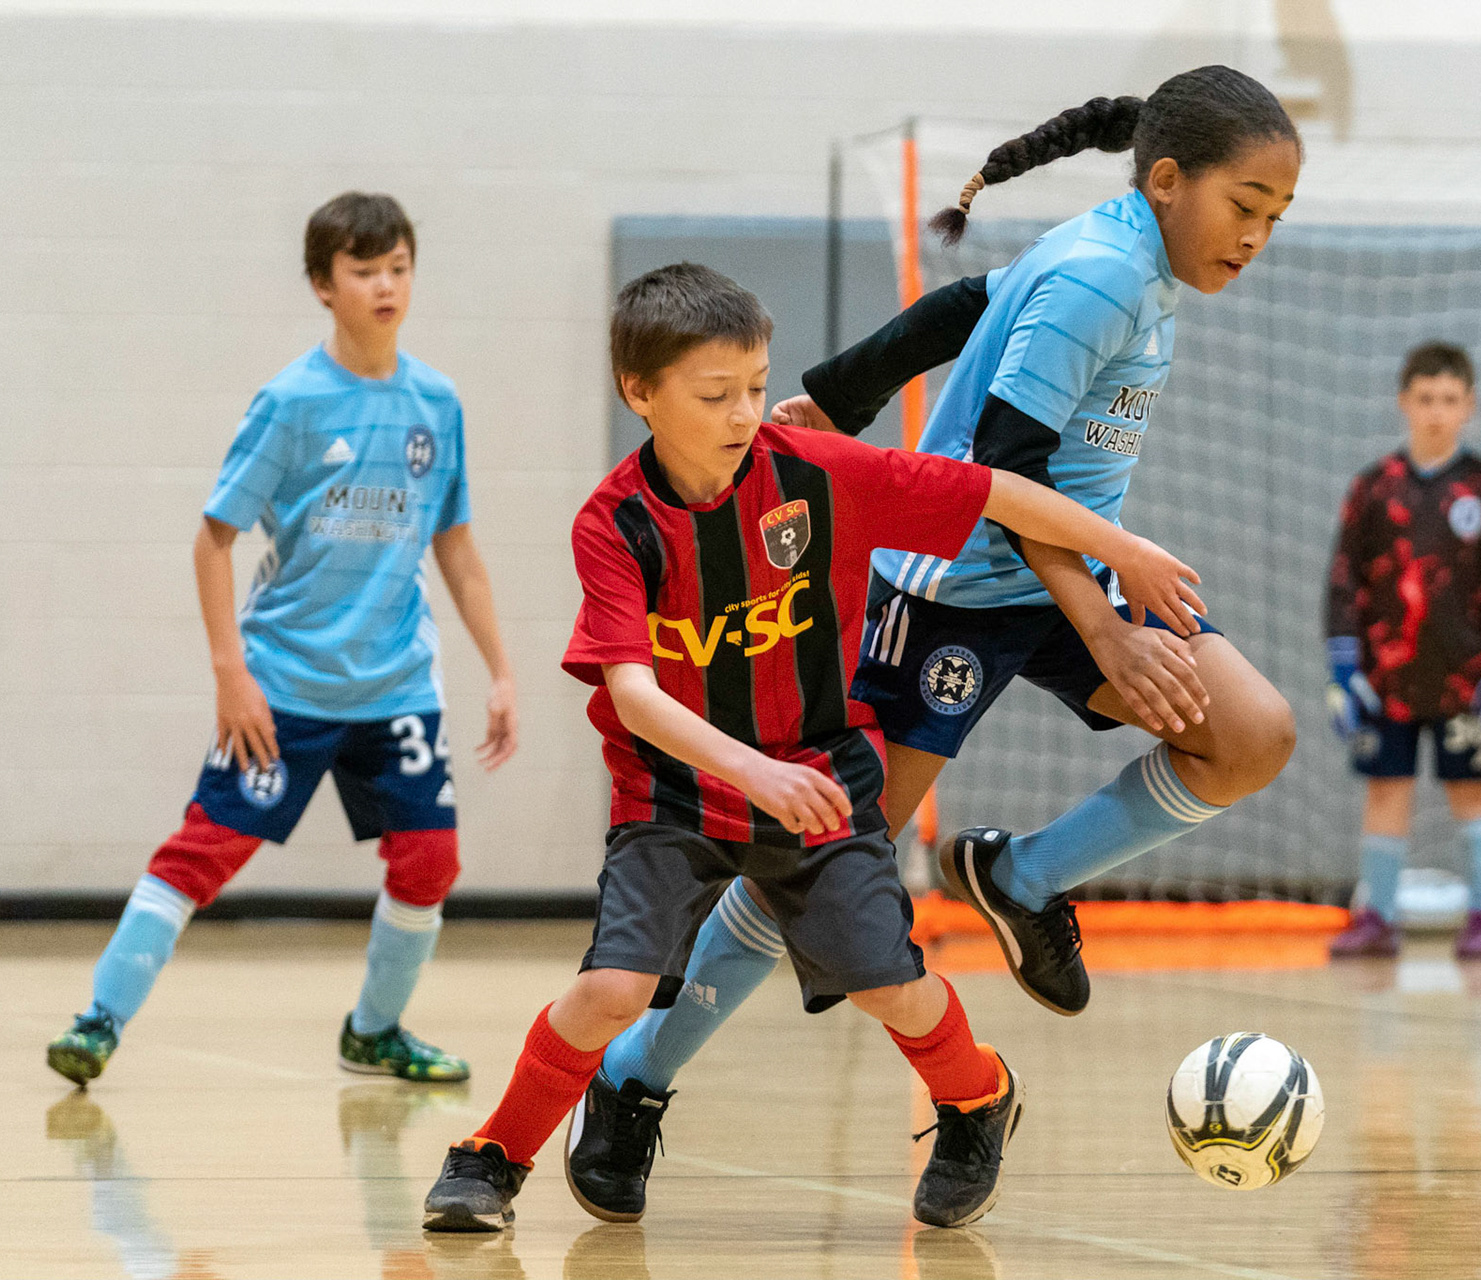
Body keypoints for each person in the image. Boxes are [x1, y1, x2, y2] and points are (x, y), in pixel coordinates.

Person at [568, 66, 1302, 1221]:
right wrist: (1105, 628)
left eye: (1275, 216)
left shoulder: (1128, 251)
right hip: (954, 587)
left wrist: (839, 392)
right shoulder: (1106, 276)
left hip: (1067, 577)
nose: (1256, 235)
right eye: (1244, 204)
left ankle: (1019, 876)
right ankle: (631, 1076)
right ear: (1168, 182)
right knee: (814, 851)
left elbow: (970, 305)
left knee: (1249, 732)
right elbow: (998, 475)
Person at [417, 263, 1206, 1233]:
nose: (747, 412)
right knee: (611, 987)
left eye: (755, 385)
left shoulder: (814, 471)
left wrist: (1117, 549)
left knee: (895, 989)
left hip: (821, 780)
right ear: (640, 393)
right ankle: (491, 1155)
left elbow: (995, 488)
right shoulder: (615, 523)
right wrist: (751, 769)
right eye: (716, 395)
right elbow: (630, 690)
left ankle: (977, 1096)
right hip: (676, 794)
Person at [45, 192, 518, 1087]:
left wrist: (501, 670)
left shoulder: (436, 402)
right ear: (322, 285)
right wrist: (232, 673)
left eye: (399, 268)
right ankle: (99, 1019)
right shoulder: (292, 402)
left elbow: (456, 545)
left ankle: (375, 1030)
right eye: (363, 269)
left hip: (398, 687)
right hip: (287, 684)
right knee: (206, 851)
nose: (385, 285)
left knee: (432, 858)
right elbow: (213, 539)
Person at [1324, 341, 1481, 960]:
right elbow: (1344, 578)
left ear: (1469, 405)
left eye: (1449, 399)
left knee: (1472, 791)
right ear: (1404, 403)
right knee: (1386, 788)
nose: (1437, 411)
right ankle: (1377, 919)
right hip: (1385, 679)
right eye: (1425, 399)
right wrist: (1342, 669)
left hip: (1467, 680)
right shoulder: (1372, 488)